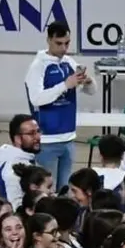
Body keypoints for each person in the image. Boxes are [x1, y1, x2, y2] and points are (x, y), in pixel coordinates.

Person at [26, 21, 94, 189]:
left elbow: (91, 91)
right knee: (46, 192)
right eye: (59, 43)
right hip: (47, 139)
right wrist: (65, 85)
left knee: (65, 191)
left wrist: (88, 81)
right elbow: (36, 98)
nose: (64, 48)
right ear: (49, 40)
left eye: (67, 43)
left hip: (69, 138)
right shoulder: (38, 66)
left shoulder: (70, 63)